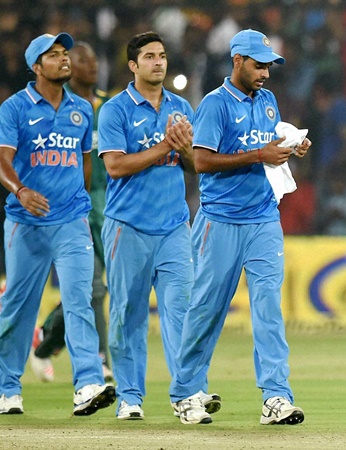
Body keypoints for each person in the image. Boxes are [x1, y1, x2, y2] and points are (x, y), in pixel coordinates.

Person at [169, 29, 310, 426]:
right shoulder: (214, 104)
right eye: (258, 65)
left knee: (269, 309)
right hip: (220, 220)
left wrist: (290, 146)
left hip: (263, 218)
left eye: (269, 66)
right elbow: (201, 162)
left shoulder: (267, 101)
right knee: (207, 309)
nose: (265, 73)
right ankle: (185, 392)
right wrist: (258, 155)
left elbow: (267, 145)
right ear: (237, 61)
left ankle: (276, 396)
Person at [0, 32, 115, 416]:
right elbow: (2, 158)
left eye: (65, 53)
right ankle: (7, 388)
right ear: (36, 66)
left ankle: (88, 384)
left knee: (80, 300)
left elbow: (85, 165)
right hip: (26, 222)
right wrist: (20, 191)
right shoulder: (15, 108)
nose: (63, 59)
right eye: (53, 55)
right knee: (19, 308)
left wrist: (77, 204)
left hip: (71, 221)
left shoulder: (81, 109)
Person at [97, 31, 195, 421]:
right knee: (128, 313)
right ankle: (130, 397)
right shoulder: (115, 110)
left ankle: (187, 394)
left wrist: (185, 149)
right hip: (128, 226)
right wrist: (166, 146)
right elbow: (115, 166)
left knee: (181, 311)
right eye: (150, 56)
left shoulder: (181, 107)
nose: (158, 62)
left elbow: (195, 166)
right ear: (133, 65)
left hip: (173, 226)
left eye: (162, 55)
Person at [29, 41, 113, 383]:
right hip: (76, 206)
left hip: (112, 207)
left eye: (94, 59)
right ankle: (101, 359)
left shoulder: (110, 106)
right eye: (83, 59)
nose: (91, 65)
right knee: (93, 288)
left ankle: (45, 336)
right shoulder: (60, 110)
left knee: (104, 287)